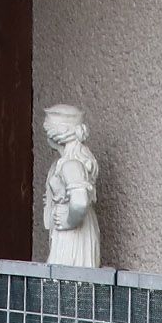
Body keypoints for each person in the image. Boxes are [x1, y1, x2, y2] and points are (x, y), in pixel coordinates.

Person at [41, 105, 101, 268]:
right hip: (68, 232)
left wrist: (68, 221)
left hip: (73, 234)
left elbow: (80, 202)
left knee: (66, 280)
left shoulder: (71, 164)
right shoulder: (62, 163)